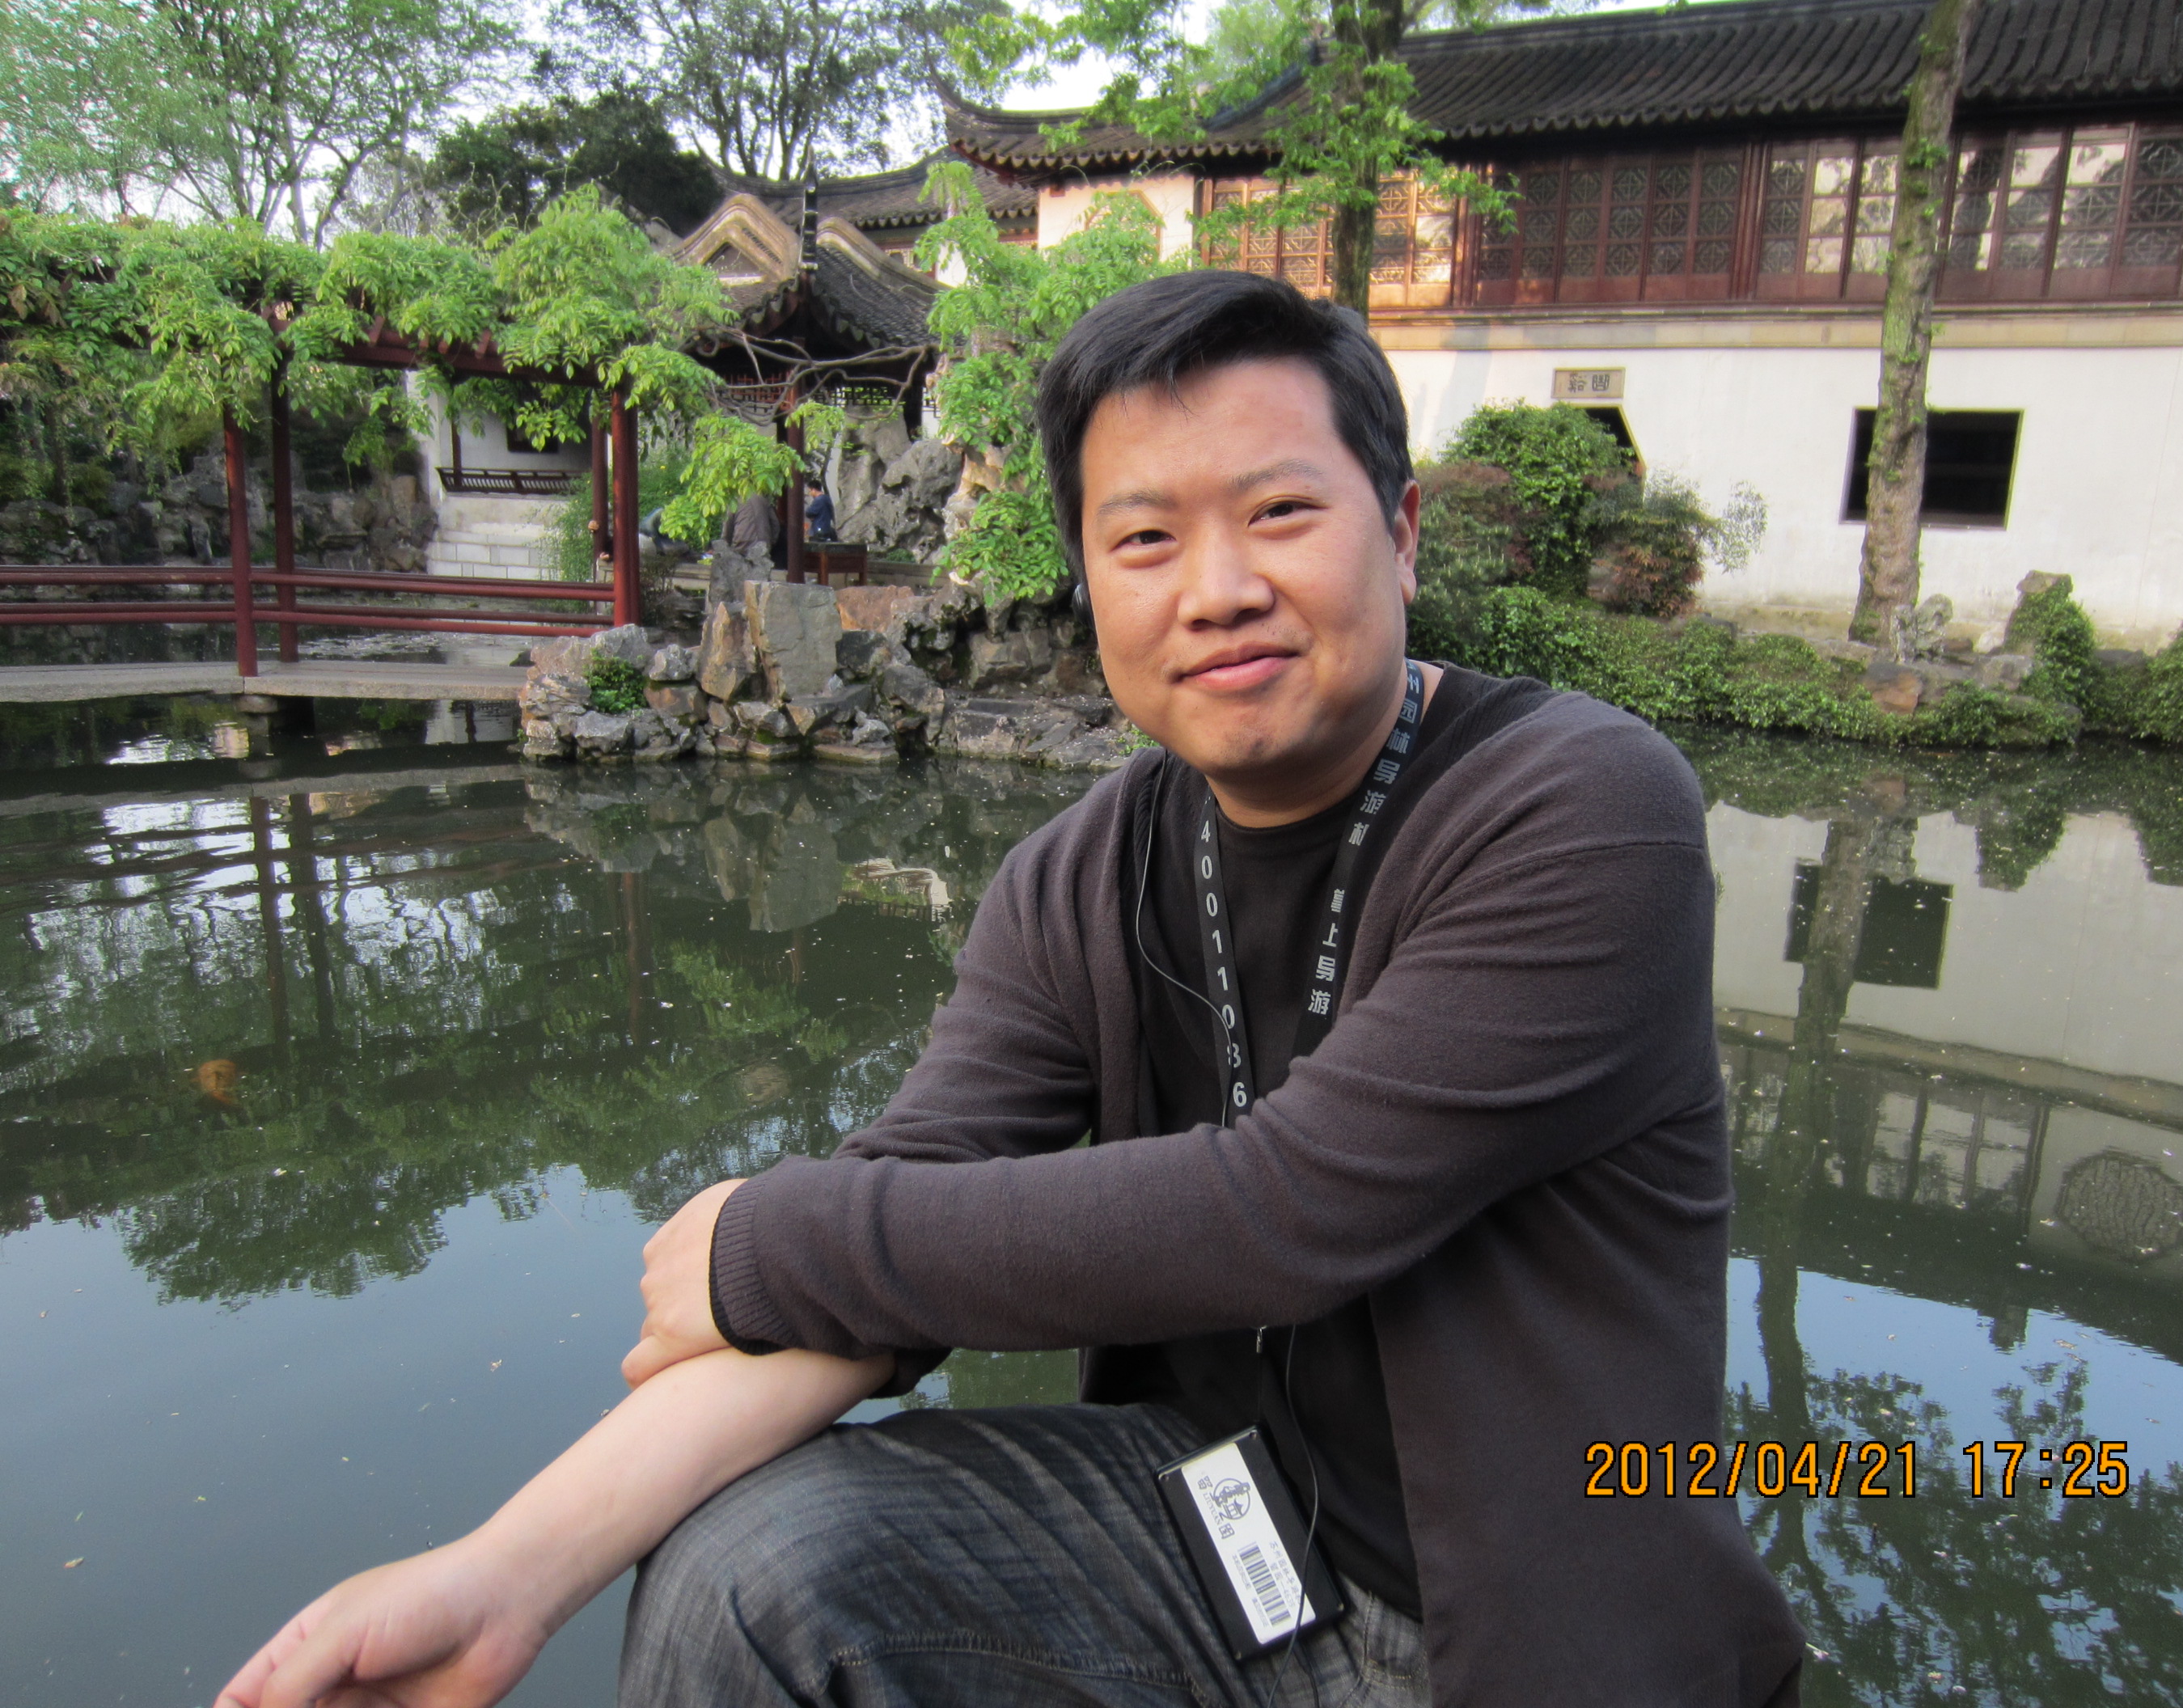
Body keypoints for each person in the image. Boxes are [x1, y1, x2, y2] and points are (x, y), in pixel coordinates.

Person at [218, 271, 1803, 1708]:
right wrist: (501, 1578)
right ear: (1090, 582)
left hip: (1524, 1630)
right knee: (754, 1573)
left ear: (1397, 533)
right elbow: (894, 1242)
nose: (1217, 588)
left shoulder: (1581, 806)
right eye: (1144, 539)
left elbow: (1290, 1208)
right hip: (1218, 1542)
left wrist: (769, 1237)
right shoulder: (1076, 875)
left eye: (1279, 512)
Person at [803, 475, 836, 543]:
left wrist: (810, 514)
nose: (810, 493)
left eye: (810, 491)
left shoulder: (819, 500)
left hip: (819, 529)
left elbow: (809, 512)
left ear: (814, 490)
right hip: (826, 528)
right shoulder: (827, 498)